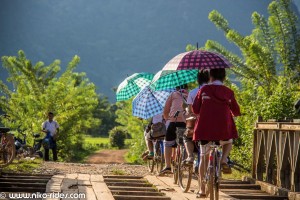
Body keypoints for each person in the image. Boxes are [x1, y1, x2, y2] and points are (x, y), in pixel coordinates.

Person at [192, 68, 241, 197]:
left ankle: (202, 190)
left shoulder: (203, 90)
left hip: (204, 129)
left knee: (203, 157)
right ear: (224, 77)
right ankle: (224, 159)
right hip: (223, 130)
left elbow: (196, 110)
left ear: (210, 76)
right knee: (228, 141)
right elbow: (236, 111)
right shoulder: (229, 92)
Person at [160, 84, 188, 174]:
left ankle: (168, 166)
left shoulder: (173, 94)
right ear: (186, 88)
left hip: (174, 122)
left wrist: (166, 118)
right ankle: (185, 163)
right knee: (186, 142)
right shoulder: (190, 94)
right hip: (186, 123)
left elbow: (166, 111)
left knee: (168, 143)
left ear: (176, 88)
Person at [183, 70, 209, 164]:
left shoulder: (193, 92)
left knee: (187, 136)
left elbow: (190, 110)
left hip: (196, 122)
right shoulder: (213, 91)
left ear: (198, 80)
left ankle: (190, 156)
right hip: (212, 121)